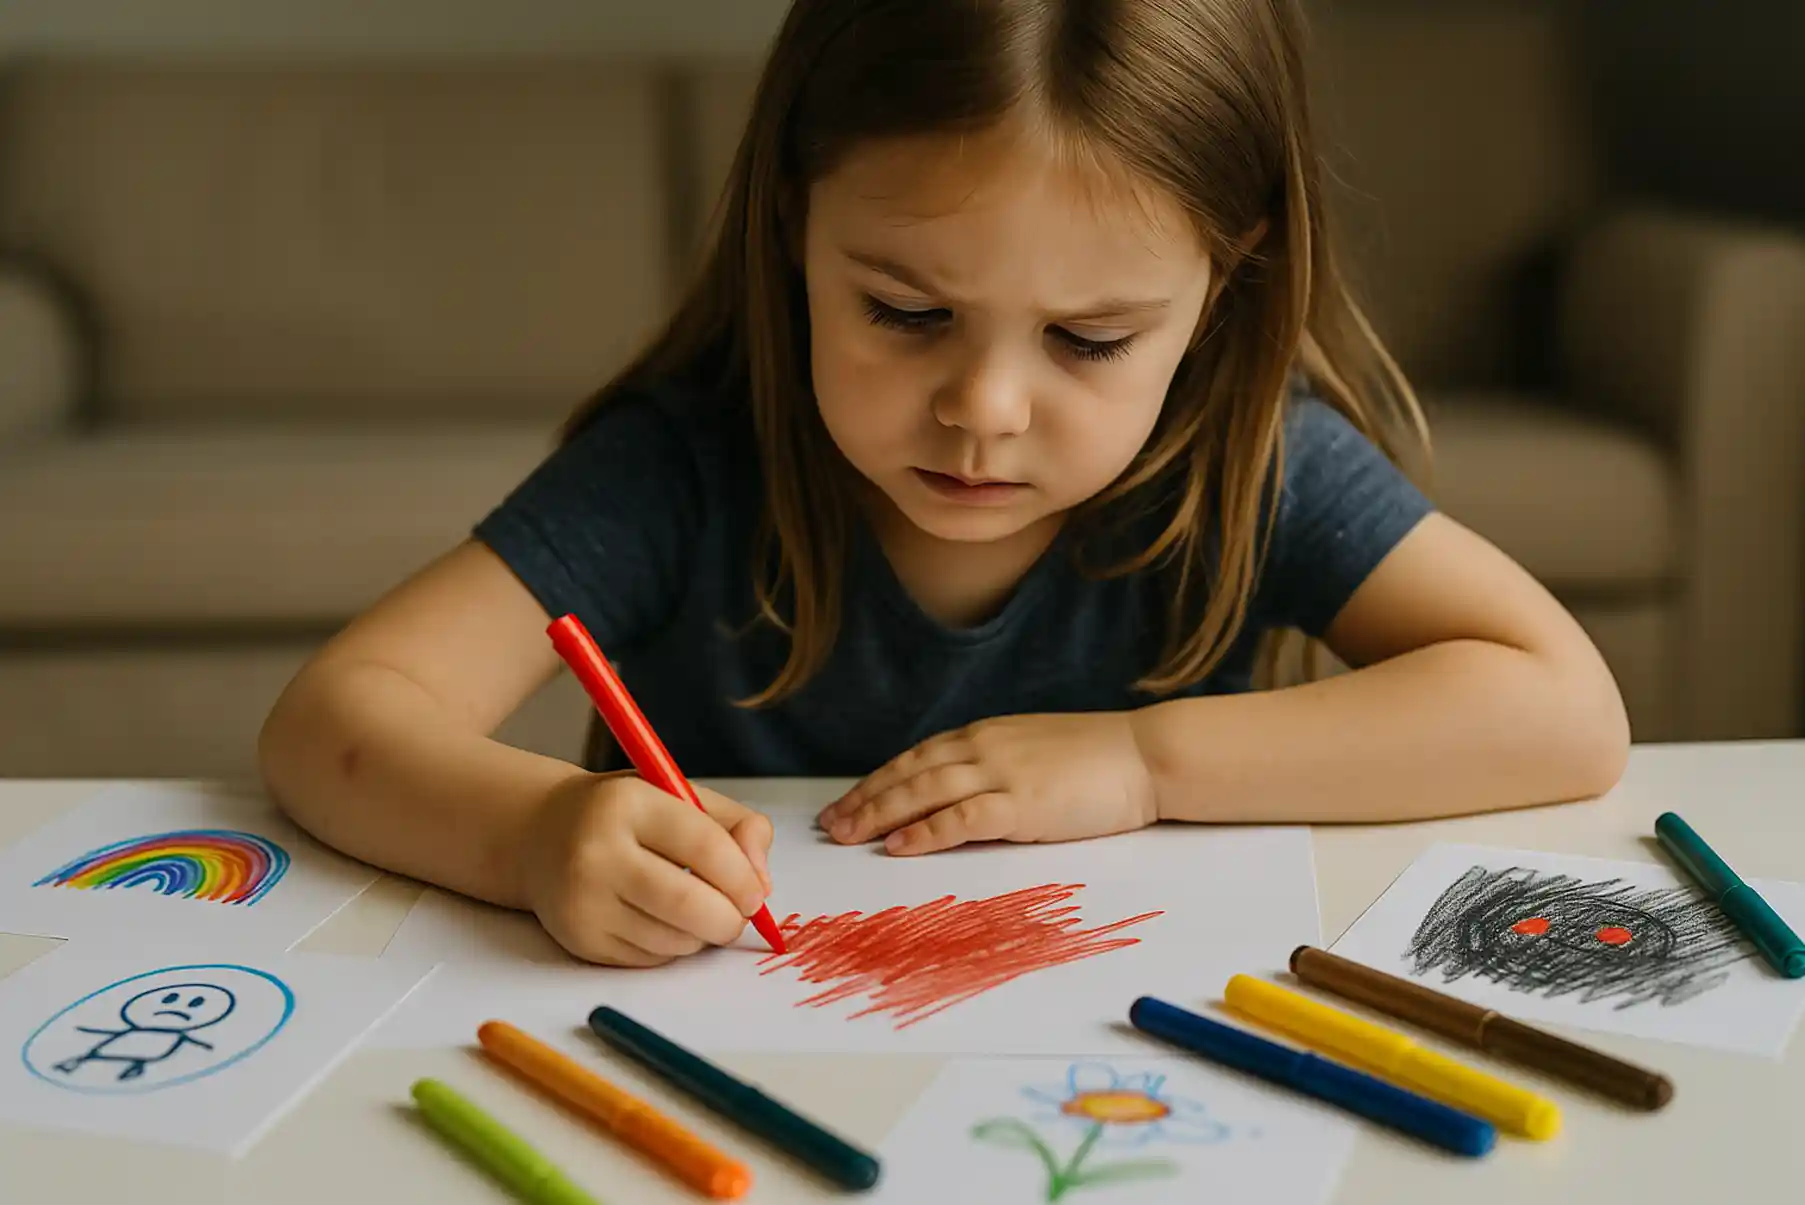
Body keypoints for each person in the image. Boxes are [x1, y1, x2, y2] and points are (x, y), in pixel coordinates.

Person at [257, 0, 1630, 969]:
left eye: (1091, 340)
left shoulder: (1247, 461)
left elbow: (1562, 710)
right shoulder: (679, 470)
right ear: (794, 222)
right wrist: (537, 834)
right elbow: (335, 721)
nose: (985, 409)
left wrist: (1144, 764)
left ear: (1227, 279)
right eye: (907, 312)